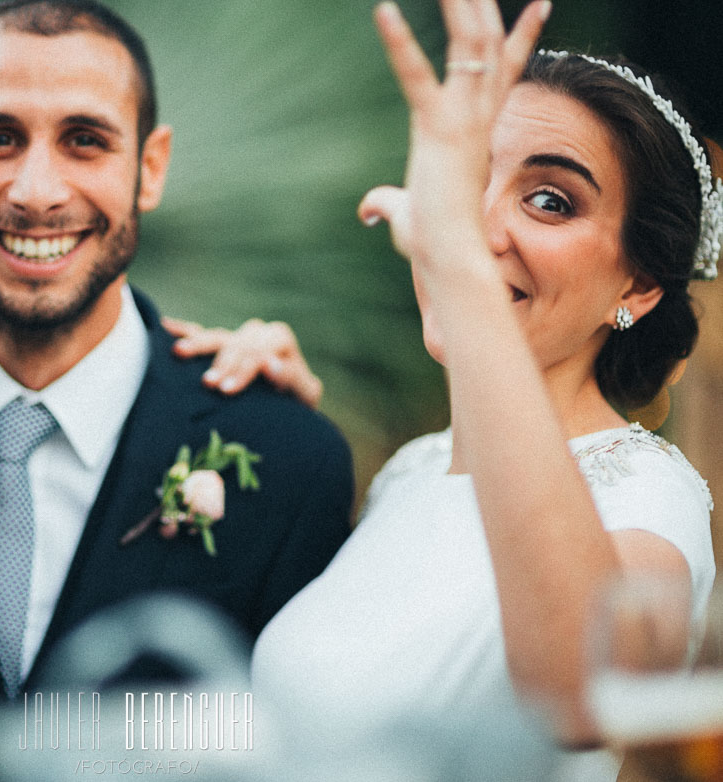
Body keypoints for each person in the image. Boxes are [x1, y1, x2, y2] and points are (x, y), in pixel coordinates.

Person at [0, 0, 355, 752]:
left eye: (84, 141)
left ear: (149, 167)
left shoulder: (288, 460)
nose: (37, 191)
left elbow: (286, 748)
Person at [252, 1, 718, 780]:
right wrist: (268, 422)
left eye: (549, 199)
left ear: (637, 284)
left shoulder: (648, 492)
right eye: (465, 180)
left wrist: (461, 265)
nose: (472, 225)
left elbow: (585, 698)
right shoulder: (406, 475)